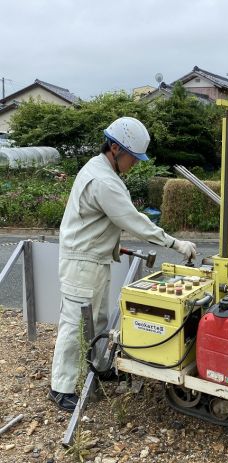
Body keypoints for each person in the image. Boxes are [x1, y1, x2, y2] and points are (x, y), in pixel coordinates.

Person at [49, 117, 196, 412]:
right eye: (133, 158)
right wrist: (174, 243)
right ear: (115, 148)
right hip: (83, 261)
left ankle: (100, 367)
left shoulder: (101, 170)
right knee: (75, 323)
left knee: (98, 320)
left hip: (94, 259)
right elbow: (133, 220)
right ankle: (61, 388)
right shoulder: (103, 180)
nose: (135, 164)